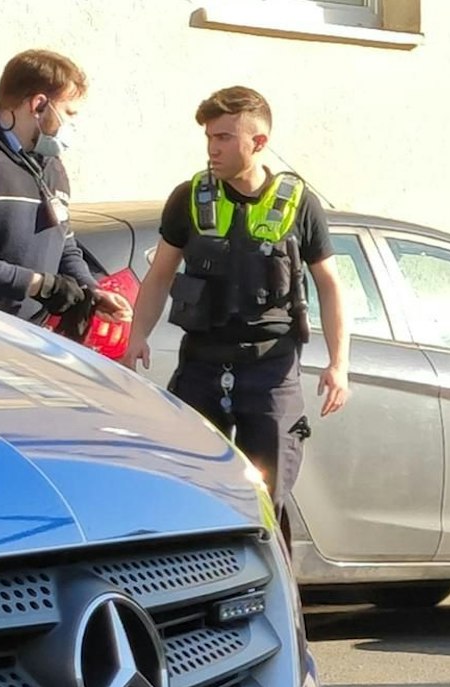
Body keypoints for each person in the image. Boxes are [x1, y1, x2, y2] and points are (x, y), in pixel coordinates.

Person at [123, 86, 348, 544]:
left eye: (224, 137)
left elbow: (330, 283)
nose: (212, 148)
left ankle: (268, 598)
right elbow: (161, 274)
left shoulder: (298, 203)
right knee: (188, 489)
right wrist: (137, 336)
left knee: (266, 497)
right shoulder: (189, 197)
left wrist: (339, 363)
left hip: (270, 370)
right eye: (209, 136)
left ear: (258, 143)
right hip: (202, 364)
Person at [0, 49, 131, 329]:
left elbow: (63, 244)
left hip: (26, 338)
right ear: (39, 105)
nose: (73, 125)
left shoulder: (51, 166)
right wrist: (40, 285)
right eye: (69, 112)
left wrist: (91, 289)